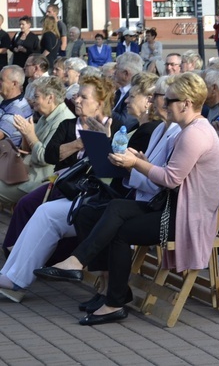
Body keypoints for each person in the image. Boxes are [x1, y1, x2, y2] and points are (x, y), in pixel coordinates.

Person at [35, 72, 219, 325]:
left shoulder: (194, 133)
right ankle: (87, 270)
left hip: (187, 218)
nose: (164, 105)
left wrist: (136, 163)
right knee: (108, 209)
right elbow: (170, 177)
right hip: (172, 206)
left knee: (119, 229)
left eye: (168, 101)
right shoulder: (188, 130)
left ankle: (113, 300)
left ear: (186, 103)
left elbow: (170, 179)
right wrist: (142, 163)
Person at [0, 74, 174, 304]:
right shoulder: (156, 129)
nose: (151, 101)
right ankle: (12, 277)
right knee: (45, 211)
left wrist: (107, 146)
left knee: (52, 210)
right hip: (109, 193)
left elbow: (131, 173)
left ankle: (100, 286)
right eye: (153, 97)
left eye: (158, 97)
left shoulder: (153, 130)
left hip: (128, 200)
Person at [0, 77, 76, 207]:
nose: (33, 101)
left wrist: (30, 134)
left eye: (36, 96)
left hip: (38, 179)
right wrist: (25, 134)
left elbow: (45, 158)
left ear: (50, 98)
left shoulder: (64, 121)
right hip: (23, 170)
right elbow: (28, 149)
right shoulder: (46, 115)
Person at [0, 65, 33, 146]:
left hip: (6, 154)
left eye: (1, 80)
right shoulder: (9, 101)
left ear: (14, 84)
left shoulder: (17, 108)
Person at [111, 52, 143, 132]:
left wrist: (100, 106)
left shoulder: (137, 94)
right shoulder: (119, 92)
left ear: (126, 74)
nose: (114, 72)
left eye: (116, 69)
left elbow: (124, 124)